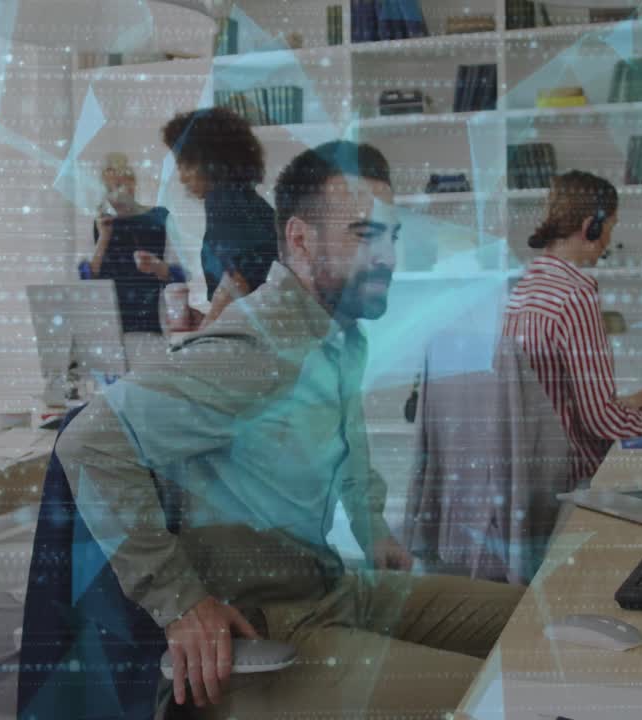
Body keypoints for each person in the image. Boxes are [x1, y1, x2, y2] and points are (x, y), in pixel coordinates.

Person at [54, 141, 524, 716]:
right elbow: (88, 442)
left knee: (535, 626)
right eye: (363, 234)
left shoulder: (341, 332)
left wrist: (371, 524)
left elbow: (348, 432)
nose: (387, 257)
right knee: (508, 698)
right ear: (301, 240)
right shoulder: (255, 350)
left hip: (332, 588)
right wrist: (179, 602)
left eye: (391, 236)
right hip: (265, 632)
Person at [502, 170, 642, 484]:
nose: (608, 241)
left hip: (530, 468)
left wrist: (627, 403)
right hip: (573, 474)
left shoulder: (523, 289)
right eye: (610, 227)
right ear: (591, 226)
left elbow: (553, 393)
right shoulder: (577, 293)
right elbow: (599, 421)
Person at [161, 107, 279, 329]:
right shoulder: (247, 201)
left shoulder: (224, 200)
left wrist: (206, 330)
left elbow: (237, 280)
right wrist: (207, 319)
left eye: (185, 164)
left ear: (210, 160)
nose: (182, 177)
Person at [78, 152, 186, 333]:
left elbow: (182, 275)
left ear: (132, 183)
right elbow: (87, 278)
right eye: (109, 189)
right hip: (110, 328)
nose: (115, 194)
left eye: (119, 185)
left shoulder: (159, 218)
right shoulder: (99, 224)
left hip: (154, 323)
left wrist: (156, 266)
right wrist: (104, 237)